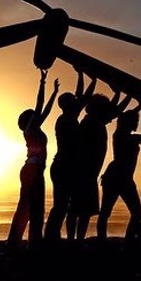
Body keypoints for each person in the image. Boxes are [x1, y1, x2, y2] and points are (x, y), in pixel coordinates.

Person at [67, 88, 131, 239]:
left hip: (89, 174)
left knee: (84, 211)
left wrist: (121, 94)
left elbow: (114, 110)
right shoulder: (90, 123)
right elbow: (114, 110)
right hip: (83, 173)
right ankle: (72, 240)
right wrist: (123, 93)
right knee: (77, 210)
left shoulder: (94, 121)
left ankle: (77, 240)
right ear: (99, 109)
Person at [7, 69, 59, 249]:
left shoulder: (34, 129)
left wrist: (54, 93)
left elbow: (44, 110)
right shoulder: (30, 130)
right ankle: (27, 244)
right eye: (33, 116)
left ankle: (22, 242)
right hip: (33, 170)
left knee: (30, 207)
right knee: (31, 208)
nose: (37, 117)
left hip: (34, 169)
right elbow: (39, 106)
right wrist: (43, 83)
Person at [44, 69, 96, 240]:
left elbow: (80, 96)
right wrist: (90, 79)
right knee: (61, 205)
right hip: (63, 167)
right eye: (73, 101)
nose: (77, 101)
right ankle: (52, 237)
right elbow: (83, 98)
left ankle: (55, 237)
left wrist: (82, 75)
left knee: (64, 205)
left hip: (65, 166)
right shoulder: (66, 119)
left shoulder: (69, 116)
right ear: (68, 105)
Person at [97, 103, 141, 241]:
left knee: (136, 212)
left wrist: (139, 107)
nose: (137, 123)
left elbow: (127, 118)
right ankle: (103, 241)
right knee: (106, 212)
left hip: (125, 178)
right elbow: (136, 135)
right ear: (129, 122)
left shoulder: (126, 134)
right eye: (136, 121)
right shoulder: (120, 134)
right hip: (115, 177)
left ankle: (129, 240)